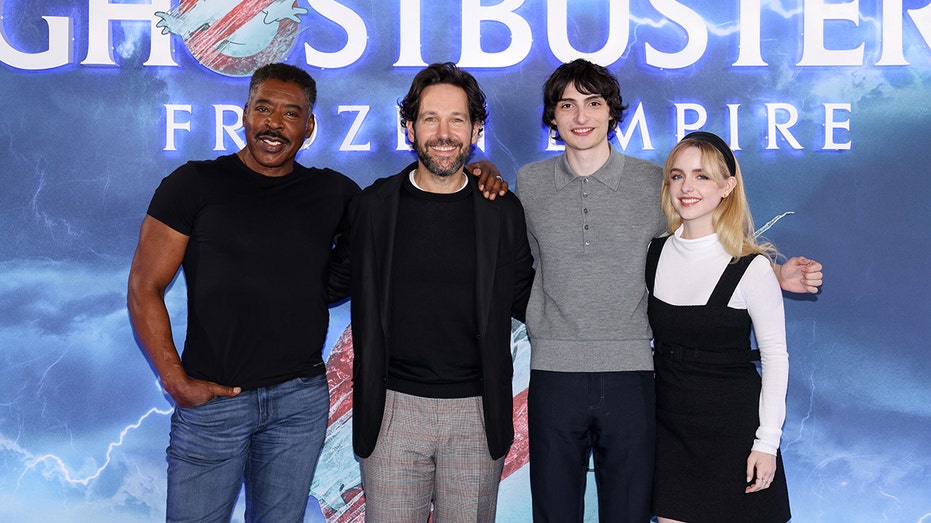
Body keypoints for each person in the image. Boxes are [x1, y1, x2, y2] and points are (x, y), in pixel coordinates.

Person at [514, 59, 821, 522]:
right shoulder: (528, 183)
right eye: (567, 105)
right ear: (552, 117)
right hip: (556, 373)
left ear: (611, 113)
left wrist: (769, 275)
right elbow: (519, 264)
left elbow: (705, 244)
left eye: (593, 103)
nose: (581, 116)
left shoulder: (650, 182)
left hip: (635, 378)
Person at [127, 63, 361, 522]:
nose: (275, 124)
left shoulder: (332, 192)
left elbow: (404, 207)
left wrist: (474, 171)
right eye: (264, 109)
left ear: (309, 126)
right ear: (245, 114)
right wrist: (176, 381)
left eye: (291, 114)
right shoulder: (194, 184)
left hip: (299, 404)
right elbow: (143, 286)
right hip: (214, 403)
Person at [347, 62, 535, 522]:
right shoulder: (373, 206)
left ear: (476, 129)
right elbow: (332, 279)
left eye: (457, 119)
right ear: (409, 128)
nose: (444, 133)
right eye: (430, 118)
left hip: (476, 411)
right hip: (392, 410)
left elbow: (527, 298)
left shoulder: (502, 209)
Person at [646, 131, 792, 522]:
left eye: (702, 176)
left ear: (727, 186)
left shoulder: (753, 267)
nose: (687, 187)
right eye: (677, 176)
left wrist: (767, 443)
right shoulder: (654, 253)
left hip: (735, 435)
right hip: (671, 432)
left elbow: (776, 359)